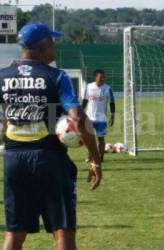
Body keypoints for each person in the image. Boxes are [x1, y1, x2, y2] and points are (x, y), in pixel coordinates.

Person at [0, 23, 102, 250]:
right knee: (62, 230)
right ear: (43, 44)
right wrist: (95, 157)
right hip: (49, 159)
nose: (54, 46)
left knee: (14, 233)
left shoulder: (3, 75)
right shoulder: (56, 76)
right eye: (52, 41)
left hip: (14, 161)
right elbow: (76, 117)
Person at [82, 69, 115, 163]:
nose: (103, 79)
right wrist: (80, 113)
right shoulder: (89, 87)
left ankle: (101, 157)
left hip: (101, 119)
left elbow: (112, 103)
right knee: (89, 139)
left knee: (101, 139)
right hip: (89, 118)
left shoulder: (108, 88)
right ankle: (89, 156)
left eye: (104, 77)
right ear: (95, 77)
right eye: (101, 77)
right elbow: (85, 101)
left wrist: (112, 116)